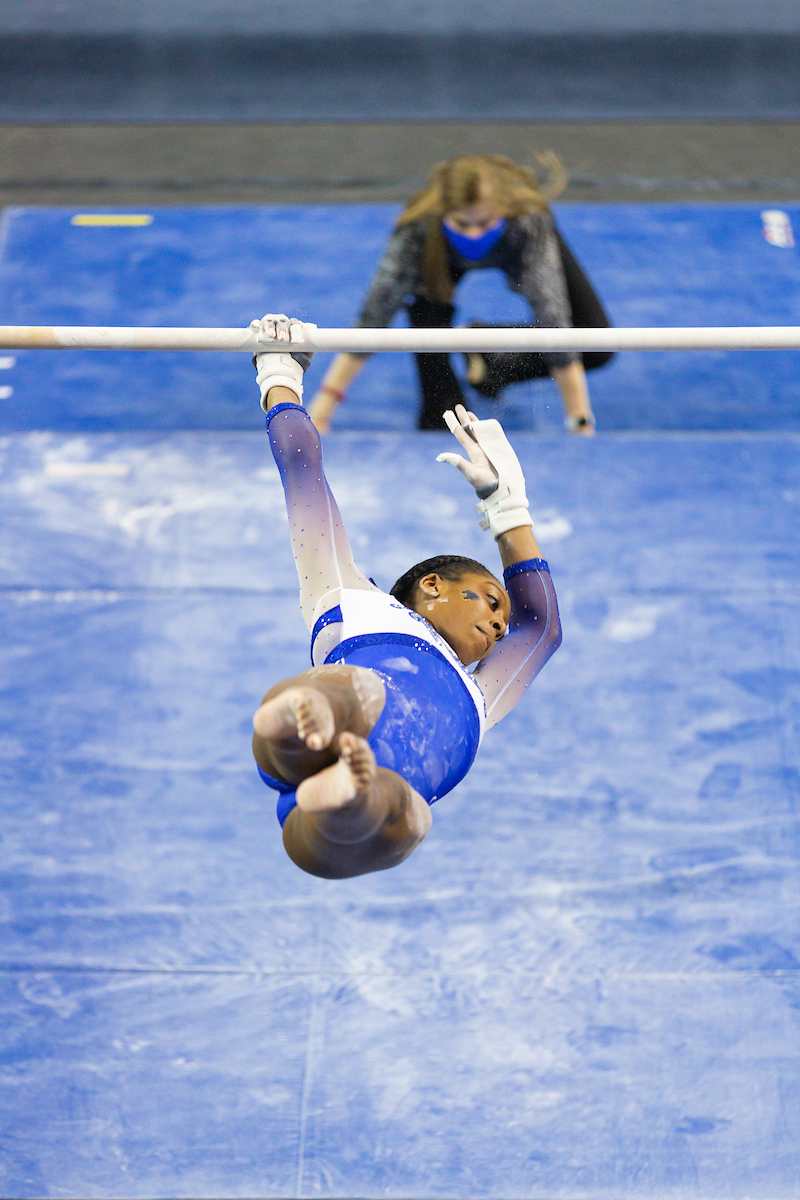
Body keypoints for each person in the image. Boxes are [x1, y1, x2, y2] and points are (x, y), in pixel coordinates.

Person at [250, 314, 562, 879]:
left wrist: (507, 503)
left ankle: (339, 790)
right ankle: (301, 723)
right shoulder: (354, 599)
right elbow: (303, 472)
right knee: (359, 690)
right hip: (341, 710)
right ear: (432, 587)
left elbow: (540, 633)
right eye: (492, 601)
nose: (500, 630)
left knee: (404, 820)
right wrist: (280, 371)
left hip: (357, 808)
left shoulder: (482, 688)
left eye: (500, 623)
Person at [308, 153, 613, 435]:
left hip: (518, 246)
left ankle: (491, 359)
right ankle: (456, 381)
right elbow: (373, 318)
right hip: (440, 259)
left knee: (595, 344)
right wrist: (322, 409)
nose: (473, 235)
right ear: (444, 212)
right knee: (440, 420)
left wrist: (579, 420)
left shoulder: (528, 222)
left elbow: (553, 320)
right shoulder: (419, 228)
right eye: (461, 223)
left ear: (504, 209)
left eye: (483, 223)